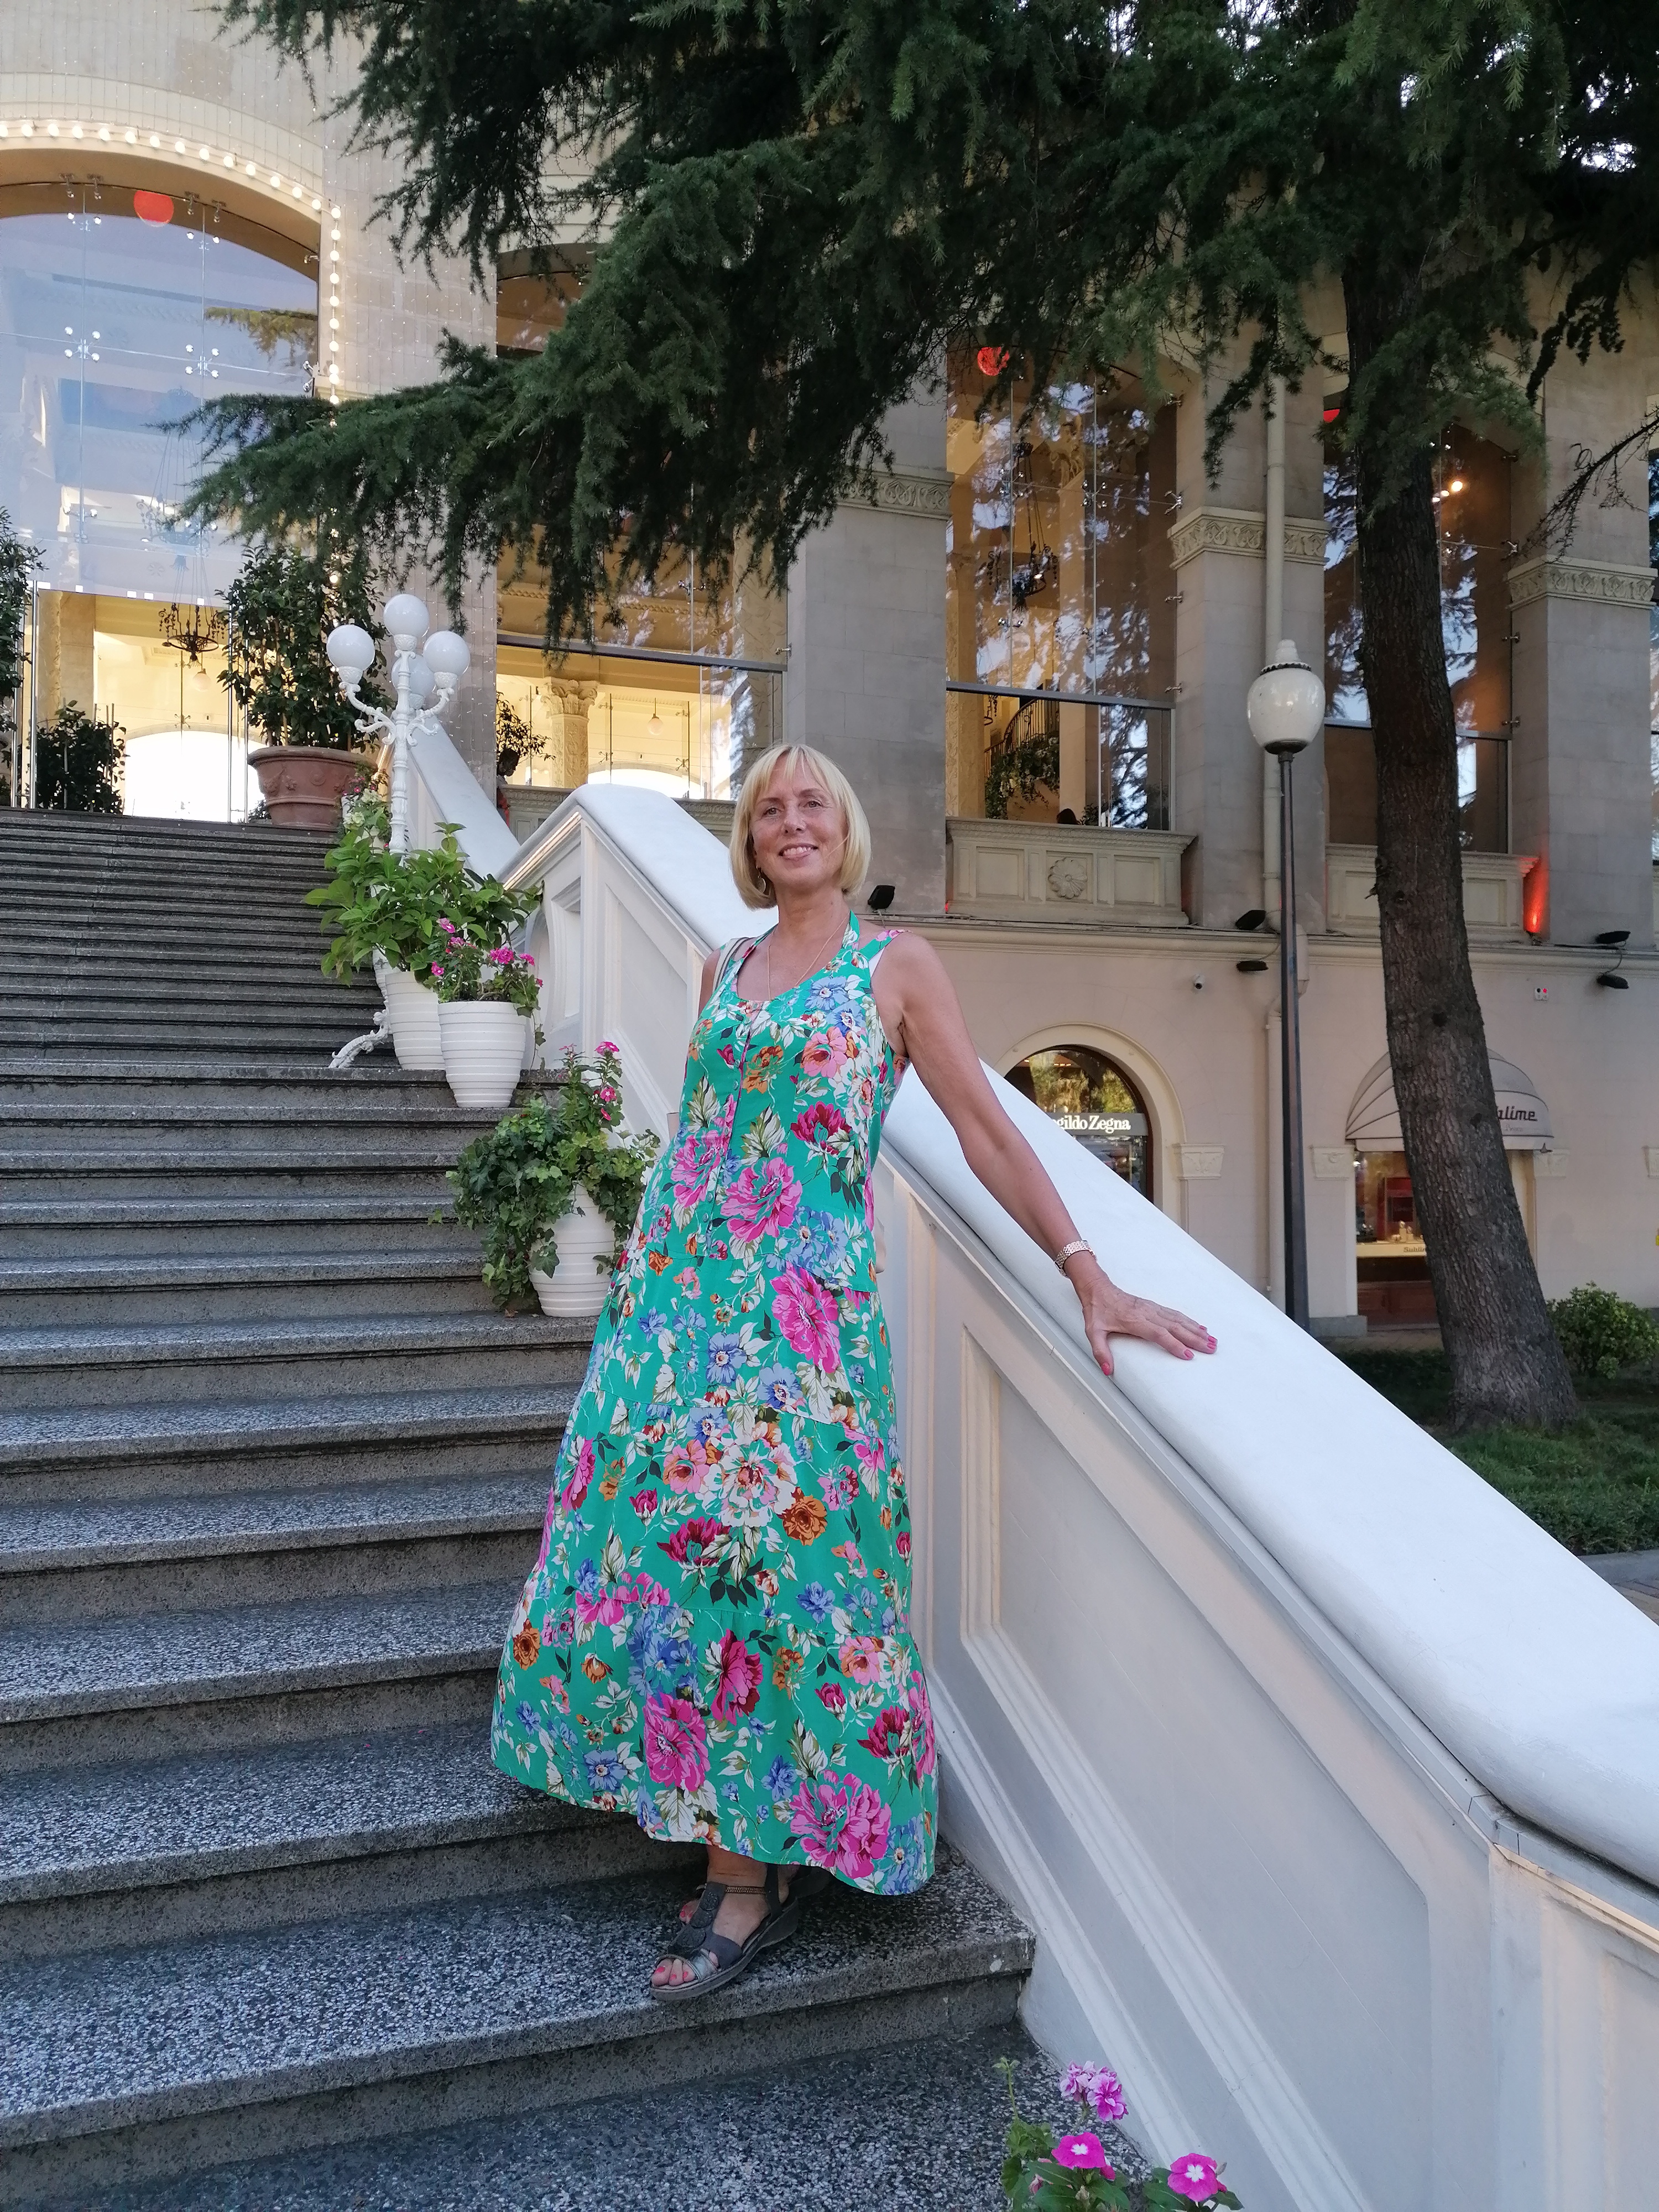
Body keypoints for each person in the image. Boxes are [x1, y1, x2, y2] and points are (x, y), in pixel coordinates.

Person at [490, 743, 1214, 1999]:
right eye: (768, 808)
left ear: (845, 828)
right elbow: (701, 1144)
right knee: (662, 1556)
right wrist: (644, 1301)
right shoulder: (723, 968)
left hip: (805, 1323)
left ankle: (751, 1874)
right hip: (679, 1308)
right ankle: (730, 1835)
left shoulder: (896, 968)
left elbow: (988, 1129)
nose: (790, 822)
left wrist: (1088, 1271)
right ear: (750, 840)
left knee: (785, 1571)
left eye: (811, 803)